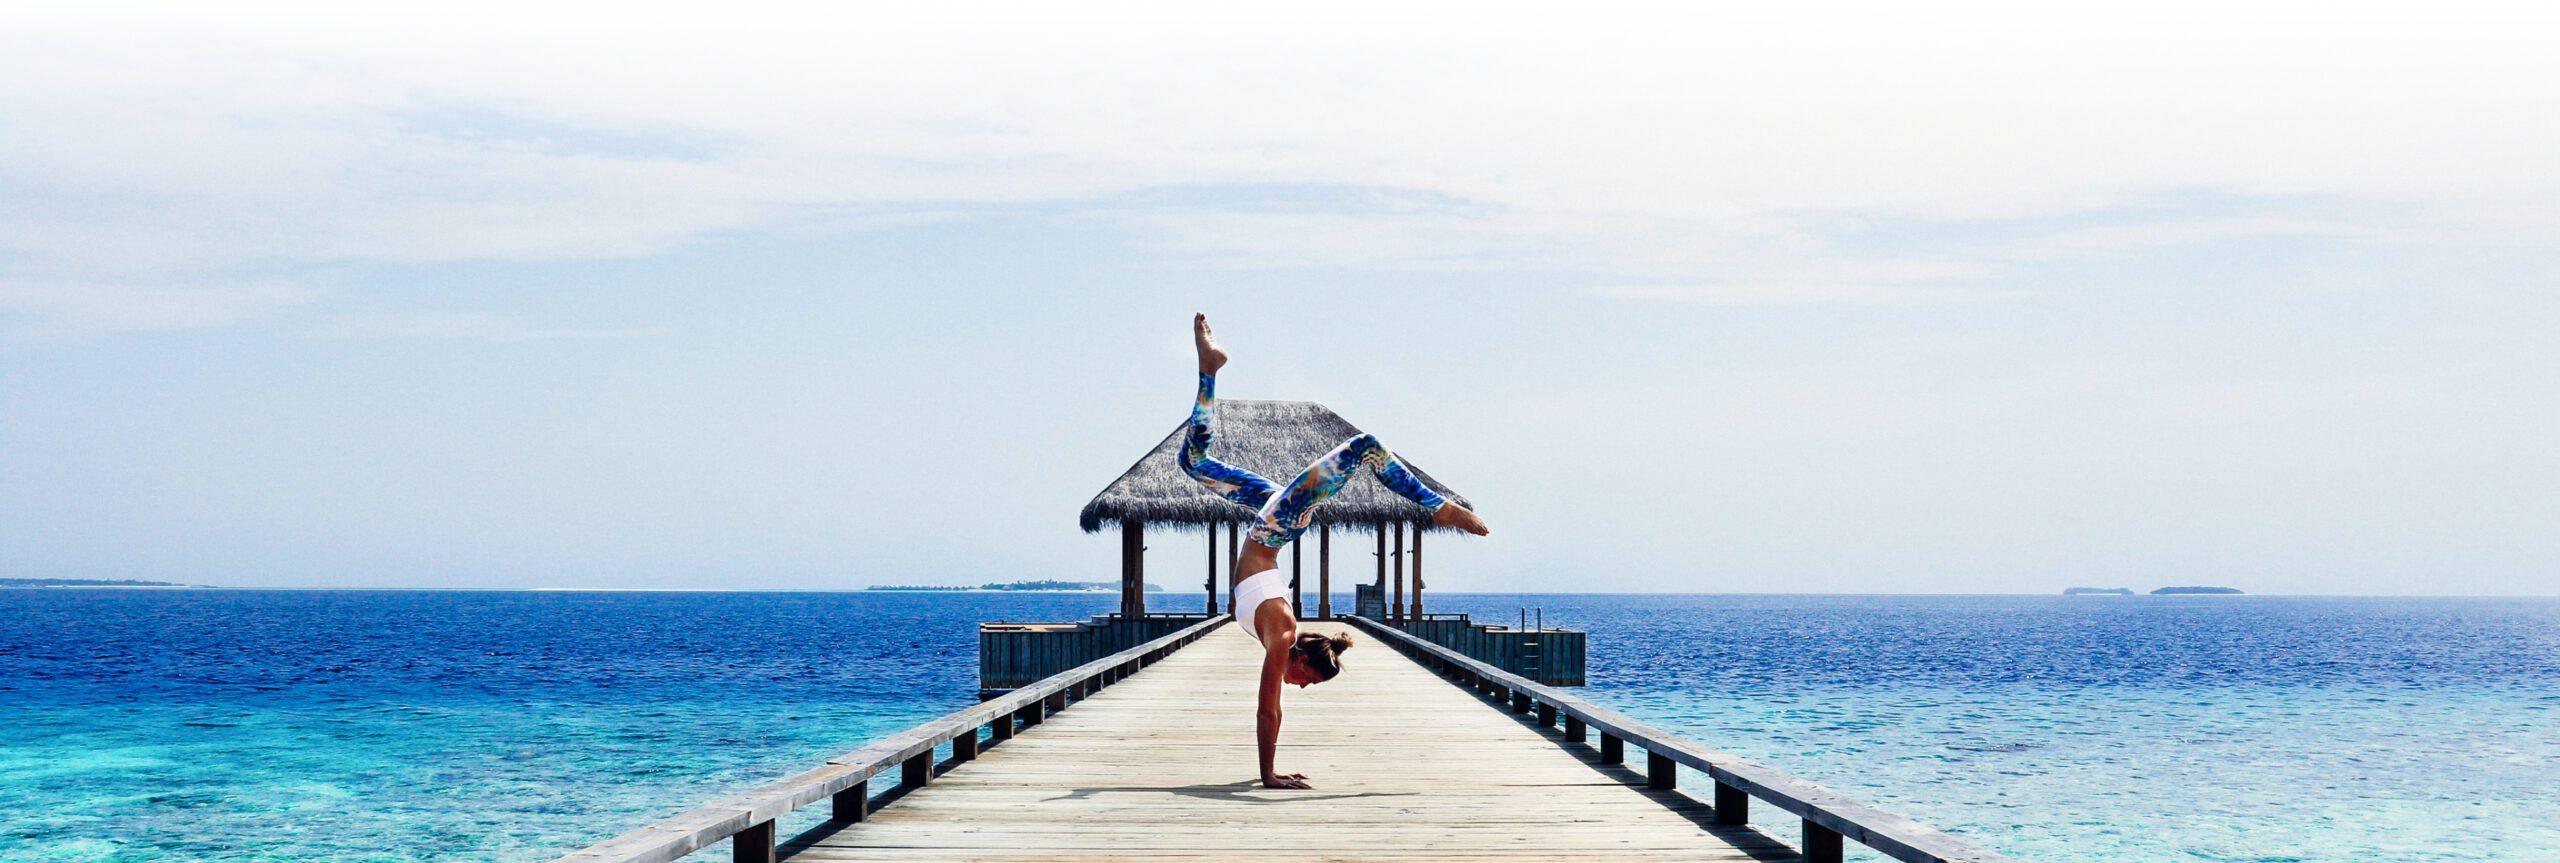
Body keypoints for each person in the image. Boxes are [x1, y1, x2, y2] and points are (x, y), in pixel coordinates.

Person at [1178, 314, 1490, 789]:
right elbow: (1268, 710)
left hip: (1273, 523)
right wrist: (1267, 775)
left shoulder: (1278, 635)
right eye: (1307, 681)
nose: (1298, 685)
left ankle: (1210, 370)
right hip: (1275, 527)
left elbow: (1271, 704)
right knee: (1364, 447)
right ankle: (1439, 507)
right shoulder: (1282, 634)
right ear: (1301, 661)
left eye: (1304, 686)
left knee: (1193, 462)